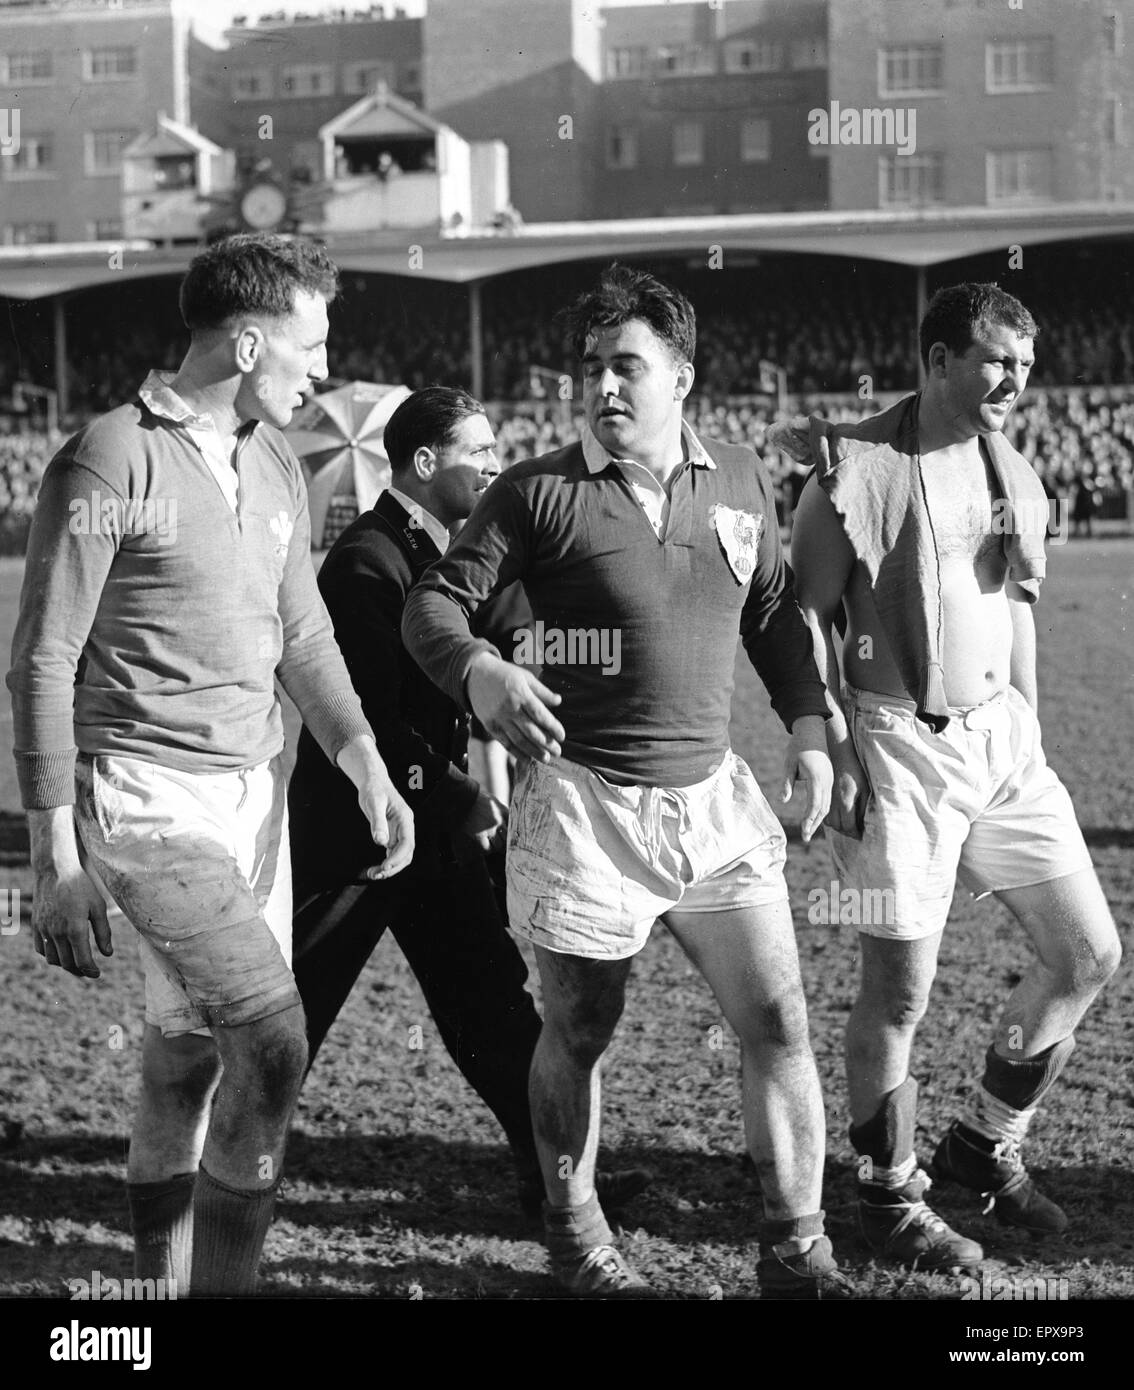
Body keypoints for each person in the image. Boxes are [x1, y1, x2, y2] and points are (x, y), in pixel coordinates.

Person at [402, 264, 840, 1299]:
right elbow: (432, 604)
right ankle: (576, 1231)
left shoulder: (736, 478)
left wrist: (813, 728)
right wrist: (482, 668)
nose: (602, 384)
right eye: (589, 367)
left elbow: (773, 610)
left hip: (715, 807)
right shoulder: (536, 491)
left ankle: (796, 1245)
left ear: (681, 375)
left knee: (778, 1020)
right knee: (582, 1029)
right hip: (587, 809)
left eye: (626, 365)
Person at [6, 233, 414, 1296]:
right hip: (146, 800)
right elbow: (43, 657)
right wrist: (54, 858)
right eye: (308, 347)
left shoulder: (275, 459)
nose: (319, 369)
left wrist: (362, 754)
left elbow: (307, 638)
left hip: (256, 806)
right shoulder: (108, 458)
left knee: (187, 1055)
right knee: (273, 1042)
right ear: (245, 344)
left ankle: (159, 1286)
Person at [787, 282, 1121, 1270]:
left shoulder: (1011, 466)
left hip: (1004, 745)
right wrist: (827, 737)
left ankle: (980, 1147)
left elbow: (1014, 602)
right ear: (935, 361)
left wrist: (1032, 722)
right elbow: (803, 614)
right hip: (898, 744)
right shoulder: (851, 469)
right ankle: (888, 1193)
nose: (1015, 378)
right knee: (899, 992)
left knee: (1088, 955)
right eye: (993, 358)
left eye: (1025, 360)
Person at [287, 385, 649, 1221]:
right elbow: (367, 719)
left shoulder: (457, 556)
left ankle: (556, 1181)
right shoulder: (363, 561)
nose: (495, 463)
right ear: (423, 463)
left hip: (438, 832)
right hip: (360, 833)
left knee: (491, 1003)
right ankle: (219, 1170)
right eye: (478, 451)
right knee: (291, 1017)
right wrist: (463, 798)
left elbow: (525, 637)